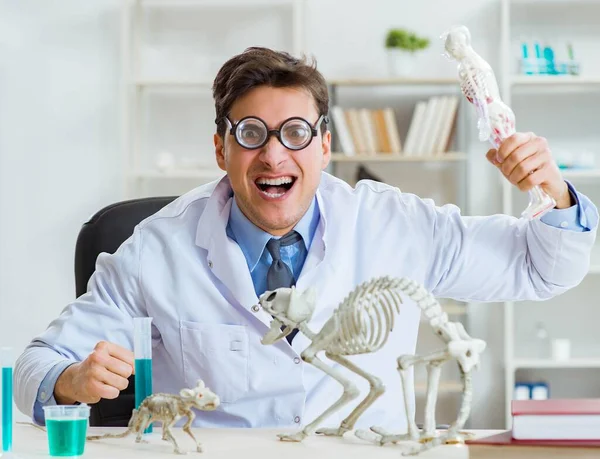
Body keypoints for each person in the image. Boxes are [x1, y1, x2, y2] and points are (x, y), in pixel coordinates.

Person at [14, 47, 598, 432]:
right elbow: (36, 367)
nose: (274, 154)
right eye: (251, 133)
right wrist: (70, 383)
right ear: (221, 148)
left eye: (295, 133)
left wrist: (555, 192)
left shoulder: (397, 225)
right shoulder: (157, 249)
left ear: (323, 145)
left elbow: (540, 268)